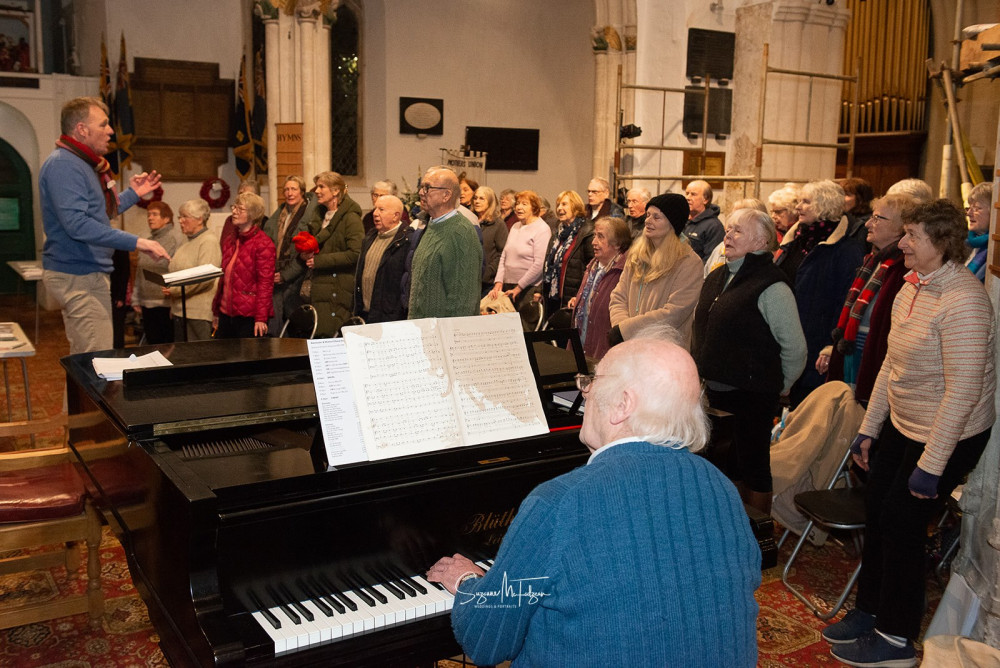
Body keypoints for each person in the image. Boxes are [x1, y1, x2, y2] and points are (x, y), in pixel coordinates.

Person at [426, 326, 761, 667]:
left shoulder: (560, 502)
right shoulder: (721, 489)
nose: (583, 394)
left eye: (591, 382)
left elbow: (487, 641)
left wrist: (469, 582)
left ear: (622, 405)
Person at [825, 200, 995, 668]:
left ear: (941, 243)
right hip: (906, 420)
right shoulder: (911, 285)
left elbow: (962, 393)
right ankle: (870, 611)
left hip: (951, 432)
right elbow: (889, 368)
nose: (902, 242)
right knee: (878, 511)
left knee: (903, 525)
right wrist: (868, 428)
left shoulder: (964, 301)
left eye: (913, 235)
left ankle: (897, 640)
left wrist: (931, 466)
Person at [692, 208, 806, 514]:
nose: (728, 235)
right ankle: (730, 526)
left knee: (752, 466)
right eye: (728, 229)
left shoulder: (771, 285)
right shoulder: (719, 275)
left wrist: (778, 387)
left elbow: (795, 348)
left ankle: (758, 535)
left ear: (761, 241)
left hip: (752, 395)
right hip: (715, 391)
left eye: (737, 231)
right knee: (724, 466)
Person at [39, 96, 170, 354]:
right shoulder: (65, 165)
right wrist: (137, 242)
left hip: (88, 273)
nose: (111, 131)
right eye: (104, 124)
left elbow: (100, 212)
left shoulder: (85, 164)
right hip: (78, 274)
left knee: (90, 361)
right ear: (81, 129)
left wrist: (134, 193)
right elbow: (78, 225)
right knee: (94, 362)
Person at [774, 179, 865, 406]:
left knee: (806, 409)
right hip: (786, 338)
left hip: (816, 344)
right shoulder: (795, 239)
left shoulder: (846, 250)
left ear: (825, 205)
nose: (798, 208)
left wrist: (830, 345)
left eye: (806, 202)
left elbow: (845, 302)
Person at [820, 194, 912, 404]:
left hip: (873, 361)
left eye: (878, 218)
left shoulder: (901, 270)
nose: (869, 224)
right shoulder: (872, 261)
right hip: (853, 356)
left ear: (900, 227)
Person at [608, 192, 703, 349]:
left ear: (673, 224)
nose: (648, 221)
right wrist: (620, 329)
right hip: (628, 347)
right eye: (648, 215)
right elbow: (619, 296)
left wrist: (626, 330)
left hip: (664, 352)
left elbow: (674, 313)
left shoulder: (689, 263)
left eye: (656, 217)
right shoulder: (636, 255)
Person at [408, 167, 483, 319]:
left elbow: (464, 301)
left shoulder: (461, 232)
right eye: (422, 187)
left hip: (444, 337)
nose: (421, 192)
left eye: (427, 187)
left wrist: (449, 339)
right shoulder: (432, 225)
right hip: (423, 332)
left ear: (446, 195)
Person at [304, 171, 364, 337]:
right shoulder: (321, 216)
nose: (316, 191)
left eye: (322, 186)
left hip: (337, 289)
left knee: (330, 338)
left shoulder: (350, 218)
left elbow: (355, 253)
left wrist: (319, 261)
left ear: (336, 191)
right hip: (320, 286)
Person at [211, 192, 275, 338]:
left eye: (240, 209)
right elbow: (224, 279)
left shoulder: (264, 244)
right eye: (234, 207)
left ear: (252, 214)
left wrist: (261, 318)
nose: (234, 211)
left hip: (249, 316)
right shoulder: (231, 239)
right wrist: (216, 311)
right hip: (226, 313)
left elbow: (265, 283)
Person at [569, 216, 631, 360]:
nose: (593, 242)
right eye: (595, 236)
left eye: (600, 237)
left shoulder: (625, 271)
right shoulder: (593, 266)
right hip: (582, 347)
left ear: (617, 243)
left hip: (605, 353)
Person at [263, 176, 317, 334]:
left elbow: (304, 252)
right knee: (277, 322)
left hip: (297, 276)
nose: (289, 193)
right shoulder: (279, 214)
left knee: (294, 322)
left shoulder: (308, 215)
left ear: (302, 191)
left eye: (293, 189)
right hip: (276, 274)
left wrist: (286, 275)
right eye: (286, 189)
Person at [163, 199, 221, 341]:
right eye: (180, 216)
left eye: (184, 217)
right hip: (180, 310)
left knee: (198, 358)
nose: (180, 221)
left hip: (198, 313)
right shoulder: (187, 241)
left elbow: (205, 279)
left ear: (199, 219)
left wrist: (175, 291)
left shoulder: (208, 241)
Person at [131, 202, 185, 344]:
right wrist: (136, 298)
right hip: (147, 302)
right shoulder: (145, 238)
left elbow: (178, 269)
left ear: (166, 219)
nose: (150, 218)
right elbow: (139, 270)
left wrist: (174, 301)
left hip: (166, 303)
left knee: (167, 346)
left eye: (154, 214)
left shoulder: (176, 238)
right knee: (152, 344)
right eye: (149, 215)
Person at [353, 195, 412, 323]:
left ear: (396, 216)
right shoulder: (370, 236)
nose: (375, 214)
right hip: (365, 313)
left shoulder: (407, 240)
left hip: (389, 317)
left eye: (381, 210)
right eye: (375, 209)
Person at [489, 190, 552, 310]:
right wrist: (498, 282)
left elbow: (539, 264)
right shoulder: (515, 226)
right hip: (508, 286)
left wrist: (519, 287)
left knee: (524, 326)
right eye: (517, 203)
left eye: (524, 204)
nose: (519, 207)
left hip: (528, 288)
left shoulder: (542, 229)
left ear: (534, 207)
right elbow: (504, 255)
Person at [541, 190, 592, 316]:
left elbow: (591, 268)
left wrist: (578, 296)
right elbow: (549, 264)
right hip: (554, 298)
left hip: (573, 298)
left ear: (575, 207)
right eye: (558, 204)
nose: (559, 208)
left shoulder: (586, 232)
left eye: (564, 204)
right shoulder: (557, 233)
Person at [471, 186, 508, 296]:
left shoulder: (498, 224)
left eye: (482, 198)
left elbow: (502, 253)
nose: (477, 201)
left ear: (490, 202)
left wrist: (488, 272)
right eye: (475, 198)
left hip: (487, 282)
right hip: (470, 280)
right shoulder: (470, 221)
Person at [683, 179, 725, 262]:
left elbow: (711, 260)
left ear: (705, 199)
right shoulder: (681, 220)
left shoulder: (714, 226)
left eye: (693, 194)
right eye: (687, 193)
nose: (688, 198)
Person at [964, 181, 992, 282]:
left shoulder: (995, 250)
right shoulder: (966, 242)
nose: (969, 214)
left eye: (977, 208)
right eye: (969, 208)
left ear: (994, 212)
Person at [839, 176, 875, 248]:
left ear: (861, 198)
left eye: (847, 194)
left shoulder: (867, 224)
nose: (841, 198)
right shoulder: (843, 219)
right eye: (840, 194)